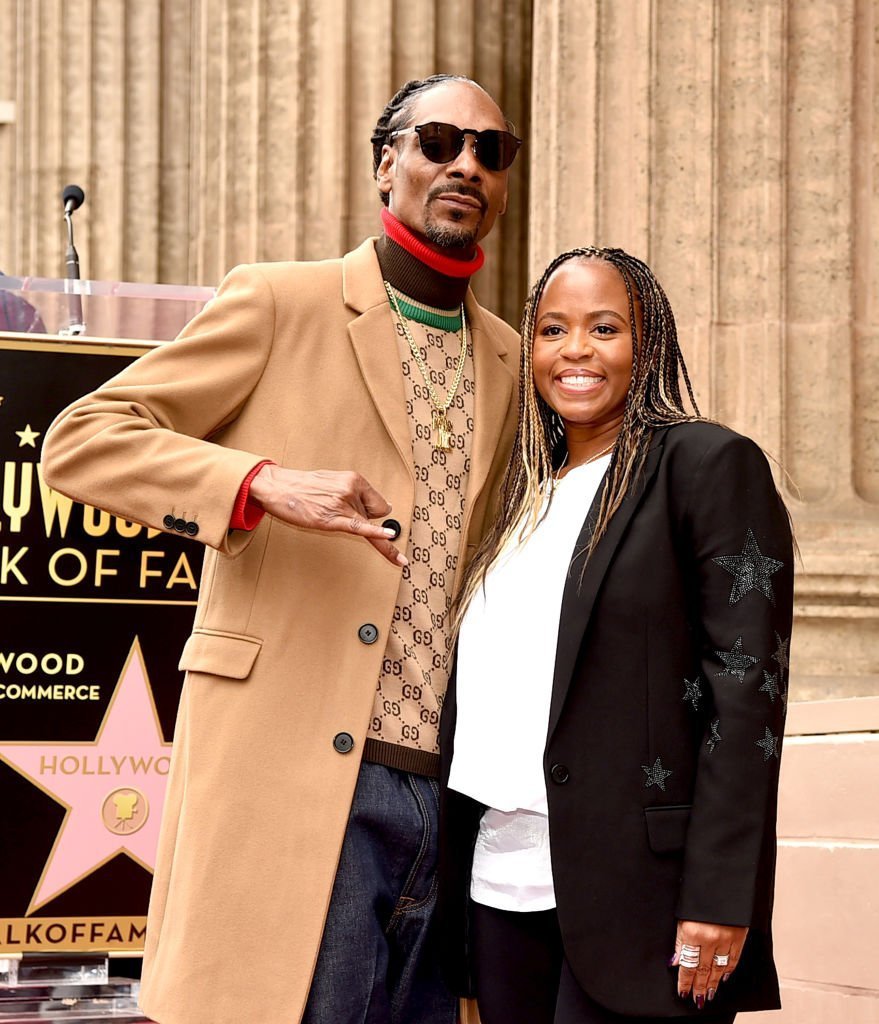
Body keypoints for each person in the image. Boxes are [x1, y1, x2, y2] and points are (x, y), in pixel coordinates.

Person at [41, 74, 522, 1024]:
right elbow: (84, 438)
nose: (464, 164)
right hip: (294, 770)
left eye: (488, 151)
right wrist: (259, 482)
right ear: (386, 163)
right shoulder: (278, 301)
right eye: (437, 141)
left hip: (445, 792)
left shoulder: (509, 355)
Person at [439, 247, 794, 1024]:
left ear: (649, 343)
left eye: (605, 328)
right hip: (501, 883)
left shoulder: (703, 464)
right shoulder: (517, 497)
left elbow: (747, 702)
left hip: (646, 897)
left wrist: (719, 895)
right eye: (552, 329)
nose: (574, 351)